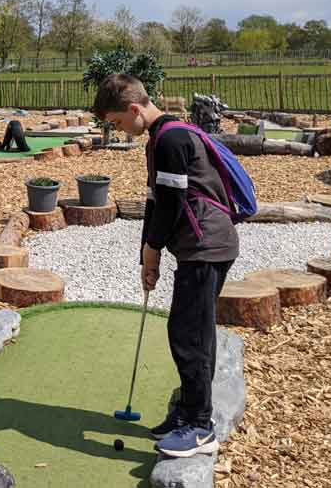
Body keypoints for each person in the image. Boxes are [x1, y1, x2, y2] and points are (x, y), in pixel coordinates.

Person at [93, 73, 240, 459]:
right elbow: (156, 200)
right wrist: (146, 250)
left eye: (118, 122)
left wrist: (154, 250)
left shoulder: (171, 138)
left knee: (189, 333)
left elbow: (173, 205)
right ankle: (187, 412)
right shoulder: (161, 138)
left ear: (135, 109)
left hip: (206, 247)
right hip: (202, 247)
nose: (120, 130)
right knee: (192, 328)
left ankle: (199, 426)